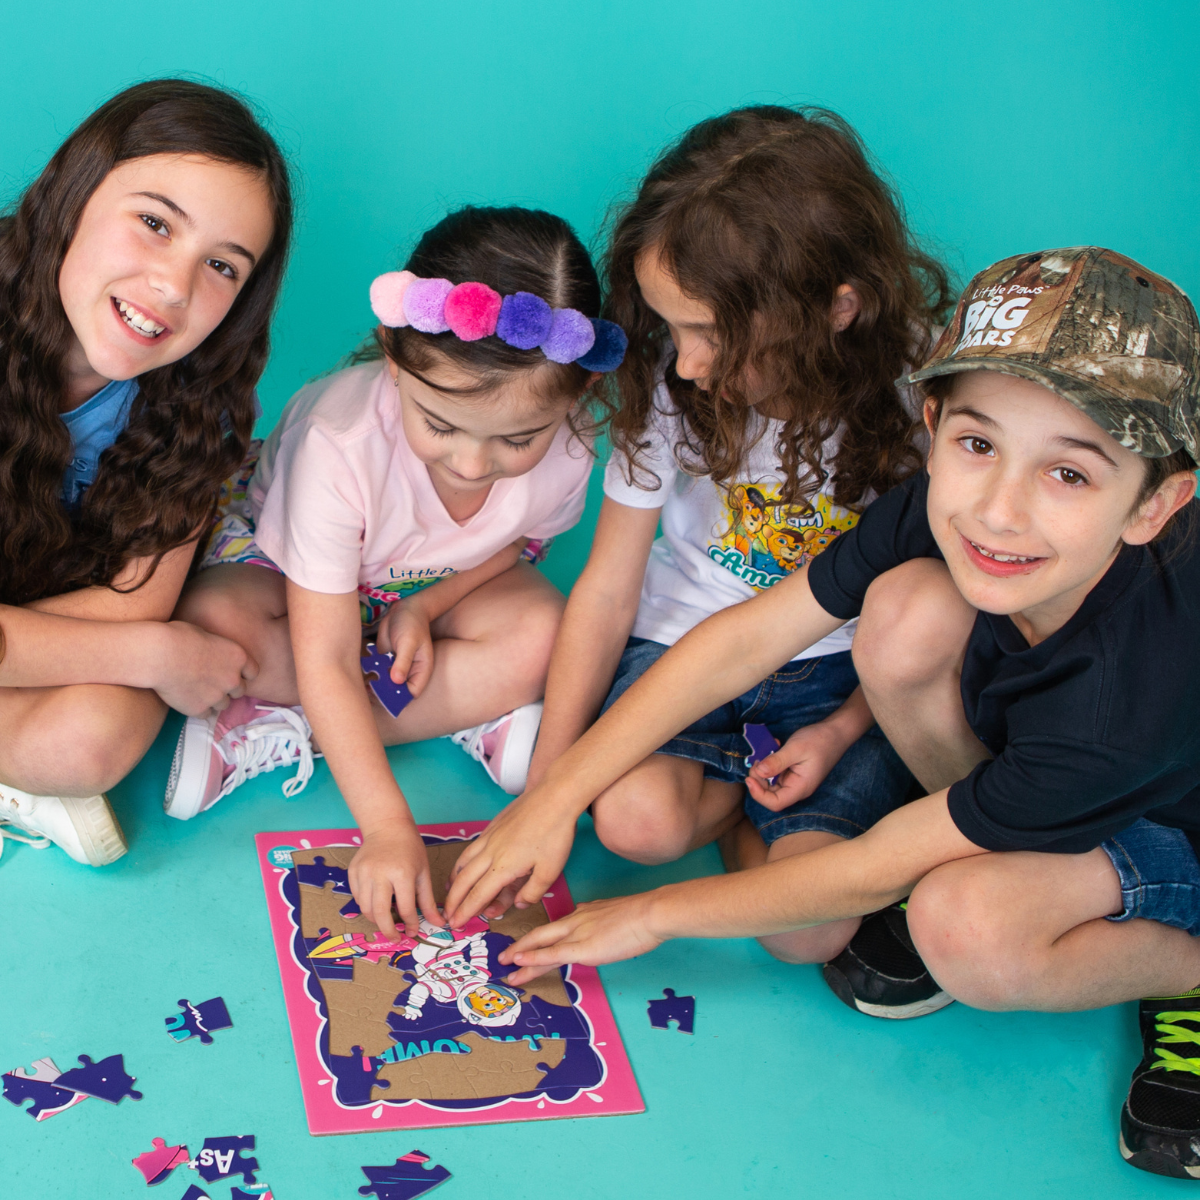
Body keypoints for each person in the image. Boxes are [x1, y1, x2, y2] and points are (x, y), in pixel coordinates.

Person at [454, 247, 1200, 1181]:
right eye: (978, 445)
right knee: (907, 608)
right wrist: (555, 795)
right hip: (1040, 774)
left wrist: (650, 917)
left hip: (1172, 827)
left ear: (1157, 505)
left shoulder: (1116, 704)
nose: (1000, 511)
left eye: (1071, 476)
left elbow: (866, 876)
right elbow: (743, 640)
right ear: (932, 426)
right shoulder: (940, 510)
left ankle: (1186, 972)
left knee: (963, 927)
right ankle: (999, 837)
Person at [447, 106, 951, 961]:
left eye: (710, 334)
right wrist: (548, 793)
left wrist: (840, 730)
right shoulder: (674, 385)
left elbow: (929, 622)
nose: (684, 364)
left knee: (809, 938)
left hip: (839, 680)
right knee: (636, 821)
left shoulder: (925, 396)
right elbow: (607, 590)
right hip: (684, 656)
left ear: (838, 307)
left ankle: (768, 821)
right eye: (671, 326)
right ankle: (742, 813)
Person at [169, 206, 626, 936]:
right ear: (393, 357)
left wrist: (429, 606)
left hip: (424, 589)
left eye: (518, 439)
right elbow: (321, 648)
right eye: (440, 425)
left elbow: (517, 548)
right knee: (217, 632)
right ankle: (431, 710)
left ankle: (303, 721)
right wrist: (385, 826)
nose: (474, 465)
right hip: (288, 575)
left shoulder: (575, 444)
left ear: (577, 398)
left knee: (548, 633)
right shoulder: (339, 442)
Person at [0, 79, 292, 866]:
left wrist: (138, 639)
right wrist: (161, 656)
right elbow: (144, 634)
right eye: (155, 223)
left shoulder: (200, 403)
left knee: (93, 739)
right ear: (74, 193)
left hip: (34, 615)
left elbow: (138, 601)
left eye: (223, 266)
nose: (174, 286)